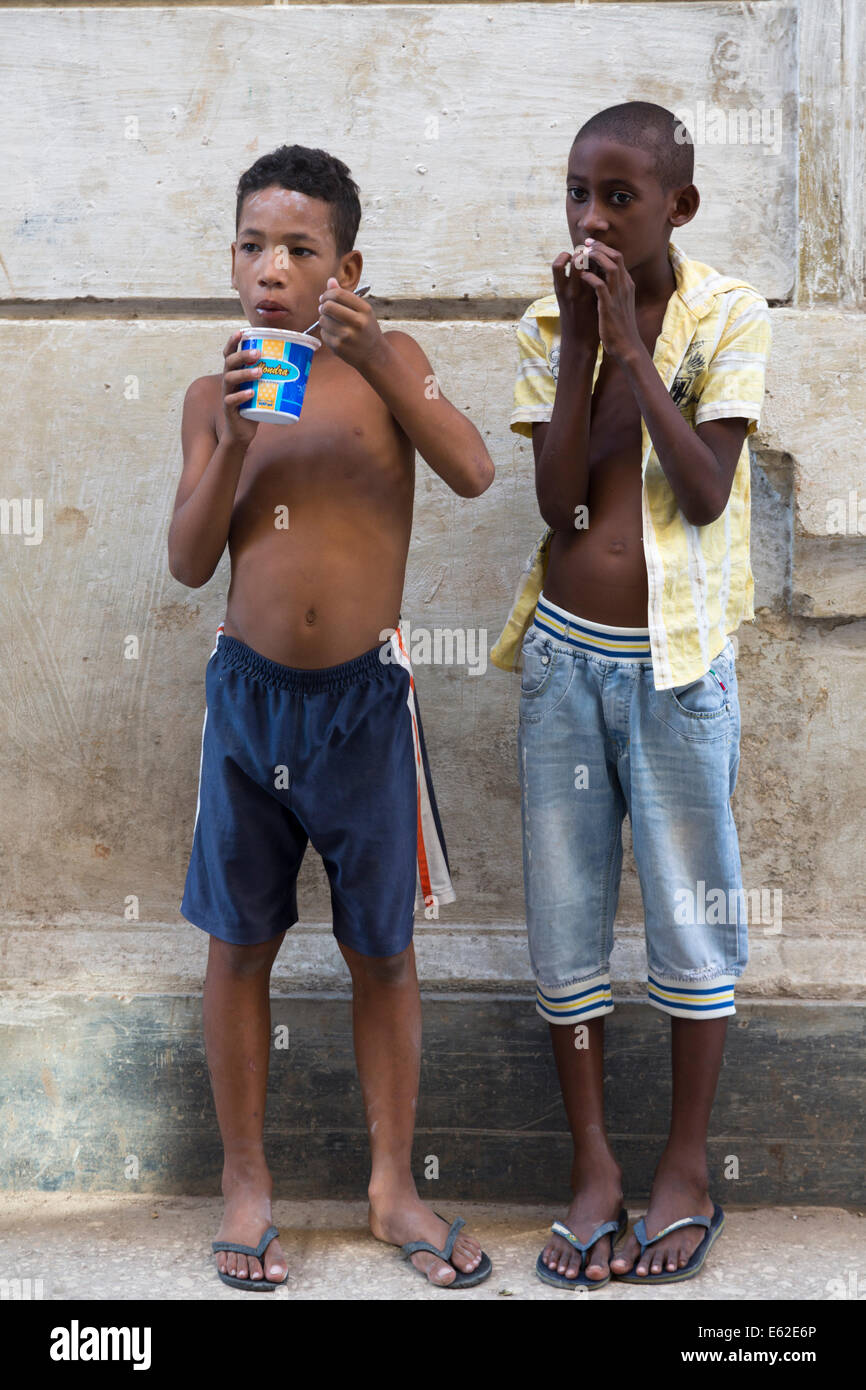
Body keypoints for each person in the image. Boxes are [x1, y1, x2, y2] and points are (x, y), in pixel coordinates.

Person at [169, 144, 495, 1290]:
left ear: (345, 270)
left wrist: (379, 360)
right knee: (238, 945)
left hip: (363, 706)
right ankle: (245, 1180)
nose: (271, 268)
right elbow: (188, 559)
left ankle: (392, 1184)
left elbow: (472, 469)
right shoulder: (213, 397)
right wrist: (234, 442)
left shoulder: (391, 365)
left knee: (382, 951)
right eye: (252, 245)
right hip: (249, 705)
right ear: (231, 262)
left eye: (299, 249)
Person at [490, 102, 771, 1288]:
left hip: (675, 669)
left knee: (690, 916)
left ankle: (684, 1168)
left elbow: (703, 492)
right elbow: (557, 501)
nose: (592, 219)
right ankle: (594, 1167)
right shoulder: (543, 323)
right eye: (577, 194)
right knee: (563, 919)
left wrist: (634, 350)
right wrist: (577, 350)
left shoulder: (728, 313)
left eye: (619, 197)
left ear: (676, 207)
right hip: (565, 661)